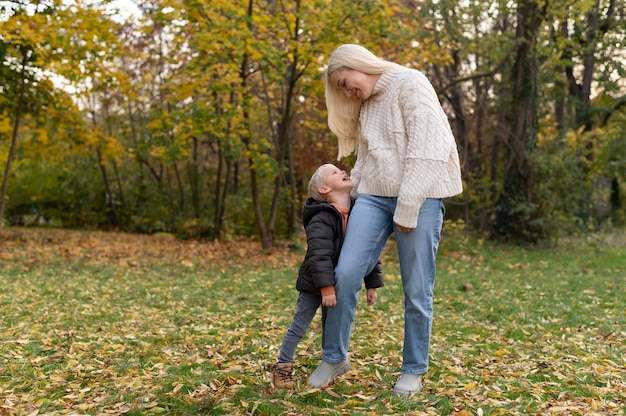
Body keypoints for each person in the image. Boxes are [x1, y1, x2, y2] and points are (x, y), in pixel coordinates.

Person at [307, 44, 463, 396]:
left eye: (346, 82)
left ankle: (413, 369)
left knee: (416, 288)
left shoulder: (411, 83)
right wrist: (351, 193)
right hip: (374, 197)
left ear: (359, 65)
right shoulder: (367, 103)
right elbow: (366, 157)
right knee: (344, 273)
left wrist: (408, 204)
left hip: (419, 196)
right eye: (342, 89)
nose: (348, 92)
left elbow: (430, 146)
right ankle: (334, 356)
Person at [271, 163, 384, 389]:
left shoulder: (359, 213)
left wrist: (372, 282)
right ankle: (283, 366)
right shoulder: (321, 217)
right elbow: (318, 255)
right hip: (316, 283)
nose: (342, 171)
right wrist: (326, 288)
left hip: (337, 285)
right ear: (324, 189)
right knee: (300, 325)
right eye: (334, 172)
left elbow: (367, 250)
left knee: (330, 325)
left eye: (340, 169)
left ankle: (330, 362)